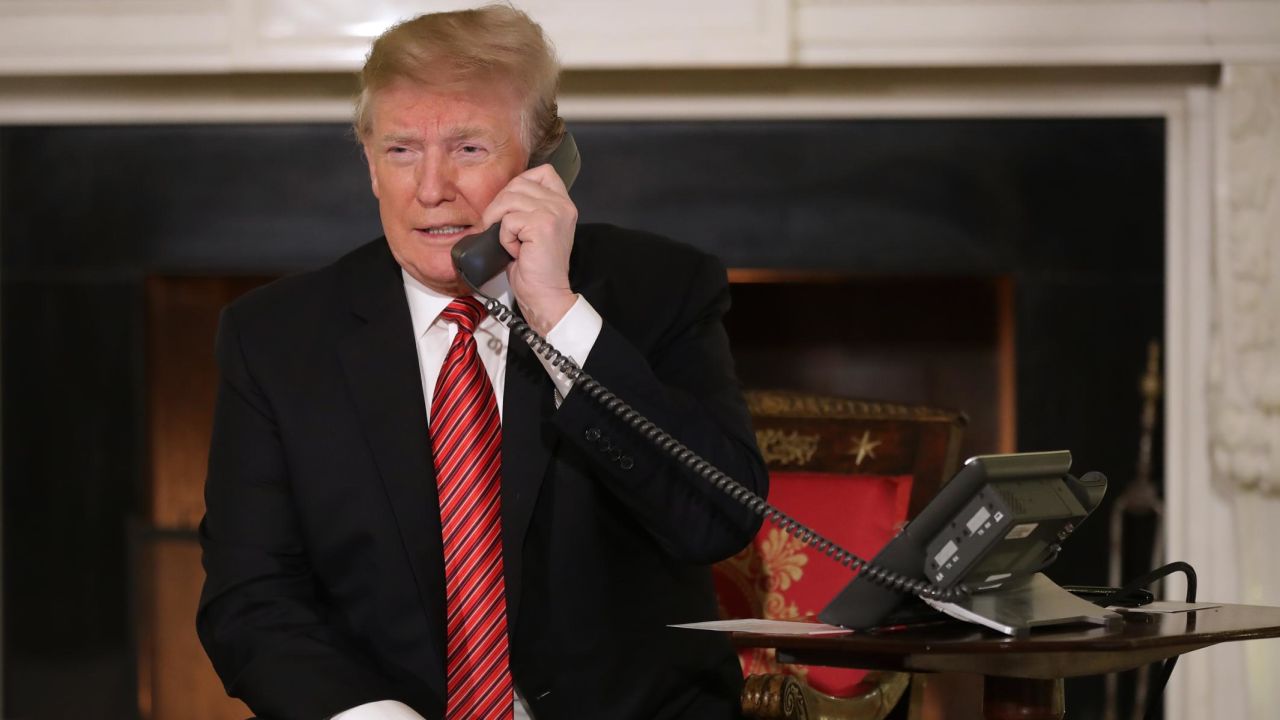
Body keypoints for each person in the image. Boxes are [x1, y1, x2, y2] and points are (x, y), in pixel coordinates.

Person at [196, 5, 768, 720]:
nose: (432, 189)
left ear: (543, 161)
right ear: (369, 165)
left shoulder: (658, 290)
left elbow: (717, 520)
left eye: (468, 149)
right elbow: (250, 597)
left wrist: (557, 311)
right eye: (402, 151)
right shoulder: (276, 338)